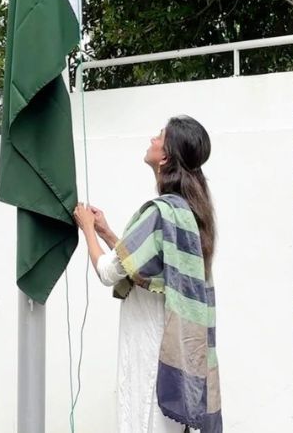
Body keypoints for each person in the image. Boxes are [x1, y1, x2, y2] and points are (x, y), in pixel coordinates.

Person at [73, 115, 221, 433]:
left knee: (143, 416)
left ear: (165, 155)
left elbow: (109, 272)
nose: (152, 139)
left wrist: (86, 228)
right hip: (174, 343)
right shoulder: (189, 211)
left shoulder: (159, 213)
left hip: (150, 337)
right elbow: (147, 268)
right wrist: (106, 232)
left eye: (158, 136)